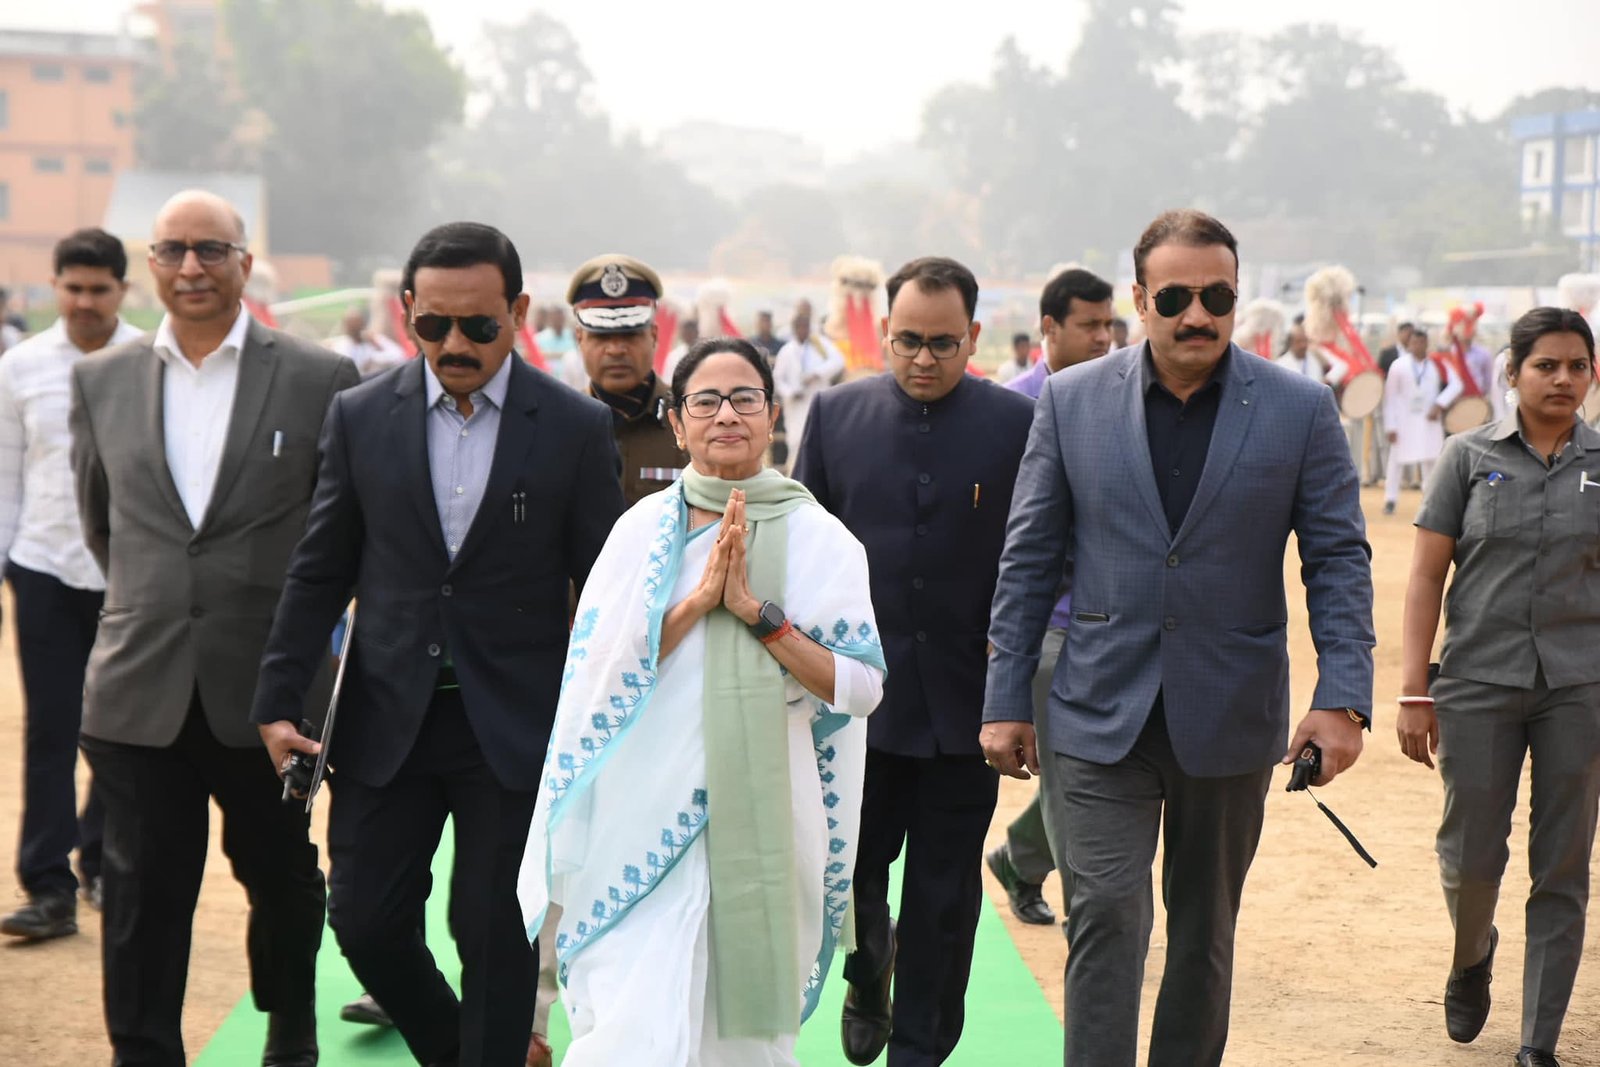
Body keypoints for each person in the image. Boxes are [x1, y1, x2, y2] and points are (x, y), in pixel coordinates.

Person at [982, 209, 1374, 1067]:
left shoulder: (1300, 409)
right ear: (1140, 298)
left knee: (1203, 933)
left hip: (1231, 714)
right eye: (1175, 297)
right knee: (1106, 912)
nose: (1198, 314)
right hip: (1096, 710)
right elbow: (1029, 558)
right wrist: (1006, 697)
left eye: (1217, 296)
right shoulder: (1072, 401)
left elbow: (1338, 558)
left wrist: (1342, 696)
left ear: (1237, 296)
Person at [251, 222, 623, 1067]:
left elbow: (606, 587)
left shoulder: (573, 426)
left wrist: (611, 717)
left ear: (518, 312)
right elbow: (319, 569)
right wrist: (278, 700)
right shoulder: (359, 417)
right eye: (433, 324)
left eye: (479, 326)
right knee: (365, 920)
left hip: (515, 726)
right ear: (407, 310)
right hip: (386, 718)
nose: (454, 344)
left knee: (494, 932)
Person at [517, 336, 883, 1066]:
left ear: (773, 416)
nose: (727, 414)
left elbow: (860, 687)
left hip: (767, 820)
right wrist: (695, 604)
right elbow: (593, 680)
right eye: (706, 401)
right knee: (630, 1029)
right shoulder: (637, 534)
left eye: (745, 398)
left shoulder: (821, 538)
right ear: (678, 424)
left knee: (740, 1041)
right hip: (638, 817)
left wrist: (759, 616)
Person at [68, 190, 359, 1067]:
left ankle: (290, 1029)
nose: (191, 266)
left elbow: (339, 531)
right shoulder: (101, 379)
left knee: (281, 877)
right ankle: (144, 1051)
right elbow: (104, 525)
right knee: (140, 892)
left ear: (244, 261)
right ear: (150, 263)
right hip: (139, 683)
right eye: (173, 250)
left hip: (270, 690)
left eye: (211, 249)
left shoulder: (319, 377)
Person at [793, 257, 1034, 1066]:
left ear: (973, 337)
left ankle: (921, 1051)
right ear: (884, 334)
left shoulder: (1017, 424)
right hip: (855, 705)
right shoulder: (836, 415)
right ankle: (869, 972)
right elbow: (802, 551)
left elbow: (1039, 557)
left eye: (942, 343)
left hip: (969, 707)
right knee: (853, 880)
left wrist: (1017, 687)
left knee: (943, 897)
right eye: (906, 341)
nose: (923, 359)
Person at [1397, 307, 1600, 1067]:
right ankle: (1472, 948)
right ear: (1512, 372)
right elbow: (1425, 577)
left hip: (1579, 687)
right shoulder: (1466, 456)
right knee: (1470, 856)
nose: (1563, 379)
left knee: (1563, 865)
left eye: (1577, 366)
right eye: (1546, 365)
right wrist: (1414, 691)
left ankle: (1537, 1041)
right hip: (1476, 683)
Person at [0, 229, 142, 942]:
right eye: (73, 288)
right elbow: (6, 476)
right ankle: (48, 884)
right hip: (45, 567)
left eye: (99, 289)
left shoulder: (152, 361)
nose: (85, 302)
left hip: (132, 577)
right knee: (51, 728)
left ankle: (104, 860)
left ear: (123, 290)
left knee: (124, 731)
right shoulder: (20, 367)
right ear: (54, 286)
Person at [986, 267, 1114, 929]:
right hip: (1049, 626)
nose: (1104, 338)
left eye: (1109, 324)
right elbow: (1005, 536)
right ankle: (1090, 928)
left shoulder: (1124, 402)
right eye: (1089, 325)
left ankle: (1020, 856)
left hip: (1118, 623)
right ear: (1049, 328)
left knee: (1112, 771)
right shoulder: (1011, 412)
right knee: (1074, 782)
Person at [568, 254, 686, 503]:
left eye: (630, 335)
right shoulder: (558, 425)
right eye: (601, 337)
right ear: (579, 338)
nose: (615, 350)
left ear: (654, 336)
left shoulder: (690, 423)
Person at [1381, 328, 1460, 516]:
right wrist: (1390, 425)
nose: (1418, 346)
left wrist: (1440, 404)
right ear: (1409, 344)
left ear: (1427, 343)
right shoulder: (1398, 365)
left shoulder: (1437, 363)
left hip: (1429, 419)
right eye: (1414, 343)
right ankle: (1390, 499)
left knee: (1431, 460)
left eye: (1421, 342)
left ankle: (1430, 499)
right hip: (1404, 420)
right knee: (1396, 460)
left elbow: (1457, 384)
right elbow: (1390, 396)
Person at [772, 300, 845, 468]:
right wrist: (790, 393)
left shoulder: (820, 345)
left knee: (819, 441)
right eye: (799, 327)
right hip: (795, 406)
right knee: (796, 443)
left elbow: (838, 361)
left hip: (817, 401)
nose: (802, 330)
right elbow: (778, 379)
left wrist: (816, 374)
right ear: (794, 328)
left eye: (805, 327)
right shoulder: (787, 351)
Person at [326, 305, 407, 377]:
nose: (355, 328)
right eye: (352, 326)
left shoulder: (374, 339)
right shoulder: (342, 346)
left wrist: (375, 357)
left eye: (357, 324)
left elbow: (399, 355)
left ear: (363, 324)